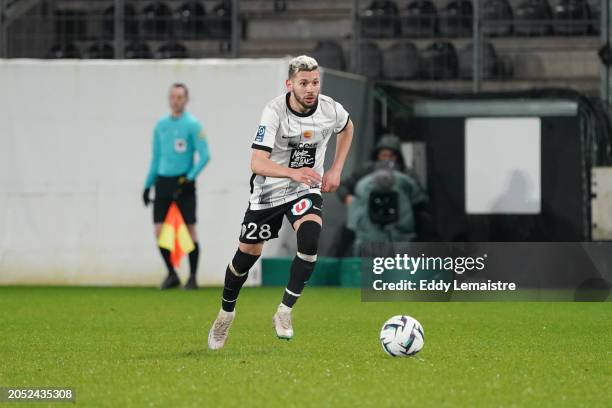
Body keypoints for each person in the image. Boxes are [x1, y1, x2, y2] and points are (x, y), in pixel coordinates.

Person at [207, 55, 354, 349]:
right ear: (290, 84)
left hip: (304, 188)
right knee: (246, 256)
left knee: (310, 239)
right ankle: (226, 313)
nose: (311, 89)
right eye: (304, 83)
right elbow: (257, 162)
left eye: (315, 82)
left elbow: (348, 126)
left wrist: (336, 168)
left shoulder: (329, 108)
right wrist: (292, 172)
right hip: (268, 190)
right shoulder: (274, 111)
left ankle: (285, 311)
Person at [142, 83, 210, 290]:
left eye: (180, 97)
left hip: (183, 182)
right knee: (159, 230)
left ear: (186, 99)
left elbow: (205, 156)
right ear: (169, 99)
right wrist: (147, 185)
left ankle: (192, 277)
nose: (176, 100)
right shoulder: (161, 125)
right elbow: (156, 157)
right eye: (173, 96)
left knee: (189, 230)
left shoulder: (193, 125)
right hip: (163, 181)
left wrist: (189, 178)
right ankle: (172, 273)